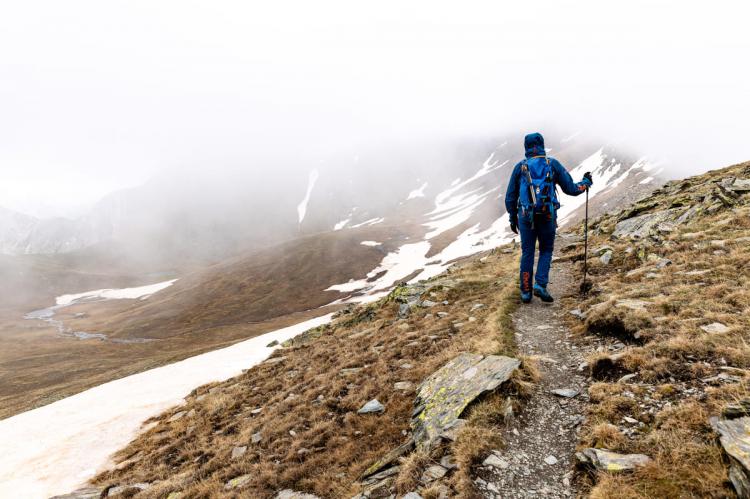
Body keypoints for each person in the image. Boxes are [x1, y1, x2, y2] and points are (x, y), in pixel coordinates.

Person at [504, 132, 592, 303]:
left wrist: (512, 218)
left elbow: (510, 197)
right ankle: (540, 284)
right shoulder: (552, 164)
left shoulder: (520, 167)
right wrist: (586, 183)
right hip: (547, 215)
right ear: (542, 145)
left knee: (528, 252)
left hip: (525, 216)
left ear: (526, 147)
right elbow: (572, 189)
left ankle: (526, 291)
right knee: (546, 250)